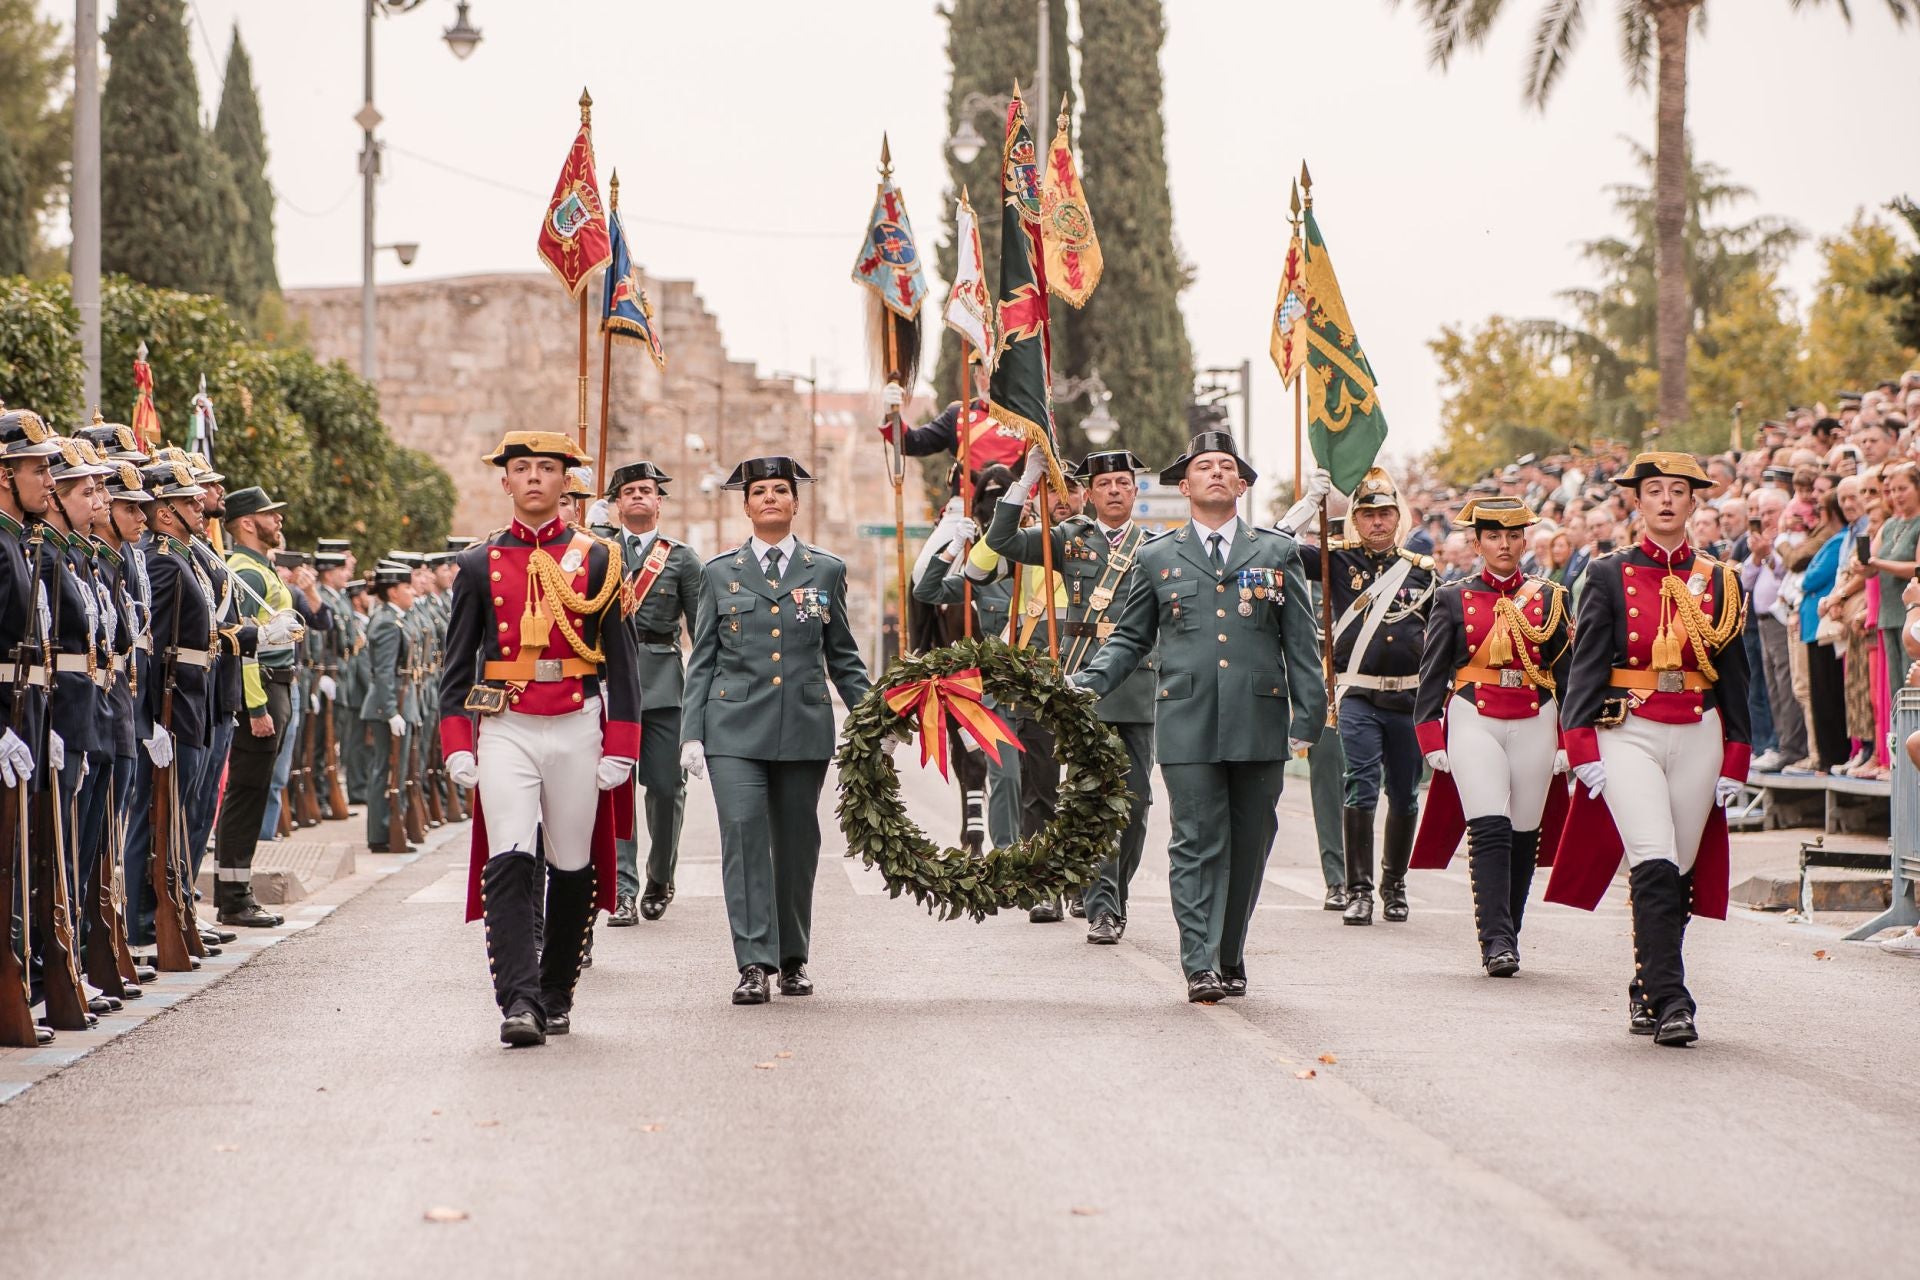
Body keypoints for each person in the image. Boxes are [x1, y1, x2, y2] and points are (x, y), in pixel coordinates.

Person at [1071, 431, 1325, 1003]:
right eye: (1203, 467)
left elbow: (1301, 643)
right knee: (1194, 840)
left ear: (1241, 484)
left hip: (1259, 721)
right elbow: (1128, 640)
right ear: (1184, 486)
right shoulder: (1157, 556)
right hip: (1186, 719)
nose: (1216, 473)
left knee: (1251, 841)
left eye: (1226, 466)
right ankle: (1199, 962)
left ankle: (1229, 950)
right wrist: (1088, 682)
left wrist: (1310, 715)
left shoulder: (1275, 552)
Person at [437, 430, 639, 1047]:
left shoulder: (599, 558)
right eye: (520, 468)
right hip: (507, 726)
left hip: (577, 721)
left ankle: (556, 993)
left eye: (545, 469)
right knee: (509, 857)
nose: (532, 478)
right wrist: (457, 743)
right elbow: (456, 664)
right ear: (505, 482)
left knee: (572, 864)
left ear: (564, 482)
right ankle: (519, 1002)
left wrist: (623, 745)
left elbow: (623, 664)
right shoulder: (478, 563)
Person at [1546, 452, 1751, 1048]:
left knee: (1679, 872)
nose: (1666, 499)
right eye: (1654, 490)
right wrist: (1579, 740)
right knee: (1653, 858)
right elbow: (1585, 666)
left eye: (1678, 490)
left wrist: (1738, 749)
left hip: (1698, 726)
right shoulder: (1607, 573)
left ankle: (1645, 982)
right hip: (1627, 728)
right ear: (1637, 501)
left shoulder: (1721, 579)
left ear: (1694, 502)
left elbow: (1737, 676)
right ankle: (1672, 999)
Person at [680, 456, 871, 1006]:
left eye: (779, 490)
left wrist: (873, 715)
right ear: (745, 505)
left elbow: (844, 657)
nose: (769, 498)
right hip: (733, 728)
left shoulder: (825, 570)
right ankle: (753, 963)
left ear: (794, 503)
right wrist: (692, 733)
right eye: (759, 491)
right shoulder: (719, 572)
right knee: (742, 835)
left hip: (803, 726)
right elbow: (703, 658)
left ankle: (792, 959)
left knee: (796, 843)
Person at [986, 447, 1158, 943]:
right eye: (1104, 485)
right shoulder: (1070, 539)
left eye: (1123, 483)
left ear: (1135, 490)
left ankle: (1115, 893)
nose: (1114, 491)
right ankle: (1102, 906)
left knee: (1137, 803)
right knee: (1092, 798)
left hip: (1137, 687)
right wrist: (1025, 483)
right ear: (1089, 493)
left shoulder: (1156, 546)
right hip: (1084, 684)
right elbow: (1002, 541)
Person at [1410, 497, 1573, 976]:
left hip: (1535, 713)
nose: (1505, 545)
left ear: (1524, 540)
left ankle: (1510, 932)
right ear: (1478, 543)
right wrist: (1429, 735)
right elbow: (1433, 671)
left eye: (1513, 536)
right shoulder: (1452, 596)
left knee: (1524, 832)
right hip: (1472, 713)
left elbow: (1566, 675)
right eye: (1494, 536)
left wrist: (1570, 739)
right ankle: (1495, 939)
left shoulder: (1550, 597)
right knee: (1489, 826)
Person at [1287, 466, 1438, 926]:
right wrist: (1309, 504)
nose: (1377, 522)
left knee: (1406, 795)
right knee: (1360, 788)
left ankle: (1394, 886)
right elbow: (1275, 548)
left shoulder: (1422, 573)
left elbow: (1437, 640)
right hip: (1358, 696)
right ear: (1355, 518)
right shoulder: (1337, 560)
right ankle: (1358, 890)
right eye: (1368, 514)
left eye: (1386, 513)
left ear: (1399, 518)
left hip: (1408, 699)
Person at [591, 460, 704, 925]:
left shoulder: (681, 559)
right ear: (616, 504)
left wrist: (705, 700)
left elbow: (702, 636)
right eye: (629, 491)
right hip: (609, 685)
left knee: (663, 787)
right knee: (615, 787)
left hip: (662, 687)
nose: (638, 496)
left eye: (647, 490)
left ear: (659, 502)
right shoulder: (596, 552)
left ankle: (660, 875)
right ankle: (621, 887)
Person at [123, 458, 216, 963]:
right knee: (154, 815)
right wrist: (151, 718)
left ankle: (169, 913)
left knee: (176, 814)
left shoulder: (184, 556)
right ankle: (140, 925)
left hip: (193, 696)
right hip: (173, 700)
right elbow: (154, 644)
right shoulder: (161, 560)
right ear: (164, 513)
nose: (199, 508)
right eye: (187, 502)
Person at [216, 487, 320, 927]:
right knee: (248, 791)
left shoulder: (262, 569)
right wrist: (256, 708)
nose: (277, 522)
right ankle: (234, 897)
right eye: (268, 516)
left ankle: (237, 890)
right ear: (245, 523)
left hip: (279, 685)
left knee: (256, 791)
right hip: (264, 690)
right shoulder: (247, 572)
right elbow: (245, 648)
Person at [913, 465, 1023, 852]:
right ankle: (921, 652)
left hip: (1015, 503)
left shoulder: (1015, 428)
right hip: (965, 502)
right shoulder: (959, 417)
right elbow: (922, 439)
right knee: (921, 569)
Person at [0, 410, 60, 1043]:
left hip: (30, 715)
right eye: (36, 468)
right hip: (6, 718)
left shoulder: (19, 541)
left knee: (20, 862)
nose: (48, 478)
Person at [359, 562, 419, 852]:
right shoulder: (386, 622)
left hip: (398, 701)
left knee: (395, 768)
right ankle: (381, 833)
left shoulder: (395, 619)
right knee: (385, 769)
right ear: (394, 592)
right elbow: (383, 671)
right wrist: (392, 711)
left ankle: (390, 830)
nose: (412, 592)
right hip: (389, 705)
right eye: (407, 587)